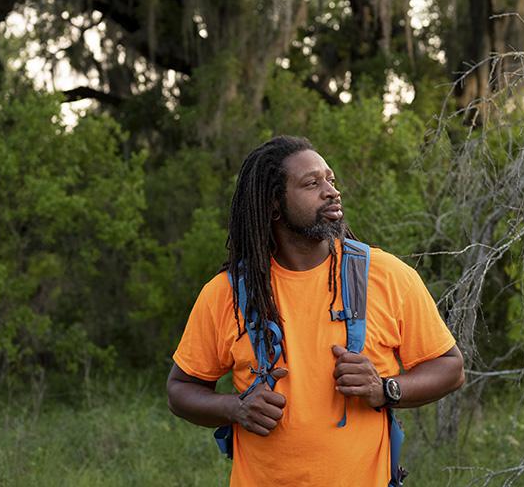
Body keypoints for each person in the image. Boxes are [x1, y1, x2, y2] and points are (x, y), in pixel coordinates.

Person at [166, 135, 465, 486]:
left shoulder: (386, 275)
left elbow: (451, 367)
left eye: (331, 180)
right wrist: (236, 407)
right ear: (274, 204)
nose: (331, 191)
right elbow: (180, 389)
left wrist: (386, 389)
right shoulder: (228, 293)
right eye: (312, 183)